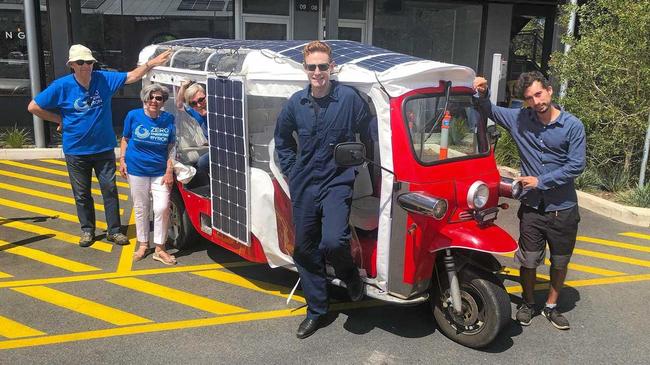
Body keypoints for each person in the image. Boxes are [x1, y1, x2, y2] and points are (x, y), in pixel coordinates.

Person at [27, 44, 172, 247]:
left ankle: (114, 231)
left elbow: (132, 76)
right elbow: (33, 106)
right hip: (76, 151)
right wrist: (60, 118)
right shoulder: (62, 86)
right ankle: (88, 230)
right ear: (72, 65)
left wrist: (151, 63)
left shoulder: (103, 79)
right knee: (82, 193)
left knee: (109, 191)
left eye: (89, 62)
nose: (85, 66)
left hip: (103, 148)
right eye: (80, 62)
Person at [473, 71, 586, 330]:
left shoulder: (572, 126)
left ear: (549, 91)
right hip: (532, 208)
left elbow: (576, 165)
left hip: (563, 209)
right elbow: (487, 109)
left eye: (538, 94)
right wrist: (481, 91)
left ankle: (551, 306)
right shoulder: (519, 119)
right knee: (528, 259)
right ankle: (528, 302)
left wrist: (540, 181)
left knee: (559, 261)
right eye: (529, 98)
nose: (536, 102)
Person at [274, 40, 372, 339]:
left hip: (337, 179)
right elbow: (282, 140)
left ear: (332, 67)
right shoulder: (295, 103)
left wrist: (356, 166)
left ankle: (350, 276)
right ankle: (317, 311)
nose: (318, 72)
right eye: (312, 67)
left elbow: (368, 134)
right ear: (305, 69)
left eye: (323, 66)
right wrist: (291, 170)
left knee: (333, 240)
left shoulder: (349, 99)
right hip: (304, 182)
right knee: (304, 248)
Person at [119, 84, 176, 265]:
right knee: (141, 207)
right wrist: (122, 160)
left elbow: (171, 146)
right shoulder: (133, 116)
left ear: (163, 101)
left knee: (162, 207)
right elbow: (126, 138)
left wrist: (169, 170)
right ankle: (143, 244)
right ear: (144, 98)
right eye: (150, 97)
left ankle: (160, 248)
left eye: (158, 98)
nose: (153, 101)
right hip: (136, 168)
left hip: (160, 171)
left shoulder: (169, 119)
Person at [176, 81, 209, 185]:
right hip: (213, 148)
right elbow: (179, 105)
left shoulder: (217, 109)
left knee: (202, 162)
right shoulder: (196, 112)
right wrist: (183, 86)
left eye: (201, 99)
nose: (199, 105)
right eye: (193, 103)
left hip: (225, 148)